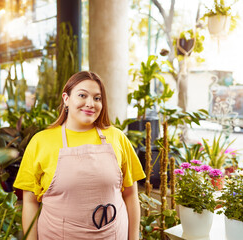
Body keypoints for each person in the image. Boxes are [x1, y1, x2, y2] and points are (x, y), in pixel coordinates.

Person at [14, 71, 146, 240]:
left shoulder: (117, 138)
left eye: (97, 98)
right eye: (82, 95)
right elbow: (30, 202)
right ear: (66, 99)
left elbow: (130, 195)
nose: (90, 103)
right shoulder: (41, 142)